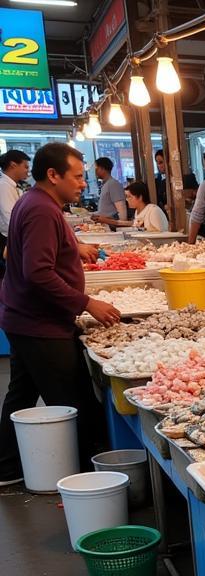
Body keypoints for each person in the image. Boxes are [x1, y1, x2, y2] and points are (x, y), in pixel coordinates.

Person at [0, 143, 120, 486]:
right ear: (53, 175)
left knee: (20, 394)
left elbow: (20, 253)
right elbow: (38, 272)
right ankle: (90, 478)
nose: (83, 184)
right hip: (40, 325)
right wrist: (86, 303)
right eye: (78, 177)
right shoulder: (41, 209)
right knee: (74, 400)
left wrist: (73, 248)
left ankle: (7, 468)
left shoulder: (35, 202)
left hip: (23, 317)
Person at [98, 181, 169, 231]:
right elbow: (134, 224)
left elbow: (163, 232)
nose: (127, 200)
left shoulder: (153, 211)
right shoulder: (137, 212)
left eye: (129, 197)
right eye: (126, 197)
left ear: (140, 197)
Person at [0, 149, 30, 248]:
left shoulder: (13, 185)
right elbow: (10, 219)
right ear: (13, 165)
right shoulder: (4, 186)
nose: (28, 171)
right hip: (8, 239)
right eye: (25, 167)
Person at [91, 157, 126, 225]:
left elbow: (122, 214)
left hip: (112, 227)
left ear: (103, 169)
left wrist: (120, 226)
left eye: (96, 168)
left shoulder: (113, 184)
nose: (95, 171)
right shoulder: (105, 184)